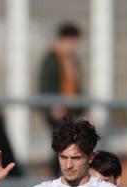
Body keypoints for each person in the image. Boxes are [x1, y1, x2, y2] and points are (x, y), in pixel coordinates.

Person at [39, 23, 83, 175]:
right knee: (60, 145)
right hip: (56, 112)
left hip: (70, 111)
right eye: (72, 41)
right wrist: (52, 106)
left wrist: (84, 109)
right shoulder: (52, 58)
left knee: (67, 144)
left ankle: (62, 176)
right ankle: (54, 176)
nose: (74, 46)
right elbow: (46, 85)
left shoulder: (72, 60)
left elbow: (77, 87)